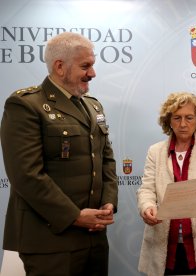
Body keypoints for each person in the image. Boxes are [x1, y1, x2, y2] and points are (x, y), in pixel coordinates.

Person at [0, 32, 118, 276]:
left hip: (93, 236)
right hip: (49, 240)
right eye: (86, 66)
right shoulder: (25, 105)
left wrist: (109, 202)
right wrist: (74, 216)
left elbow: (106, 158)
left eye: (92, 65)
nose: (93, 73)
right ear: (60, 66)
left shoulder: (92, 105)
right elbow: (26, 175)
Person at [137, 92, 196, 276]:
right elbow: (147, 190)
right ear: (168, 121)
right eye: (177, 118)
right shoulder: (155, 151)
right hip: (164, 245)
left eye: (189, 118)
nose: (183, 124)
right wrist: (147, 207)